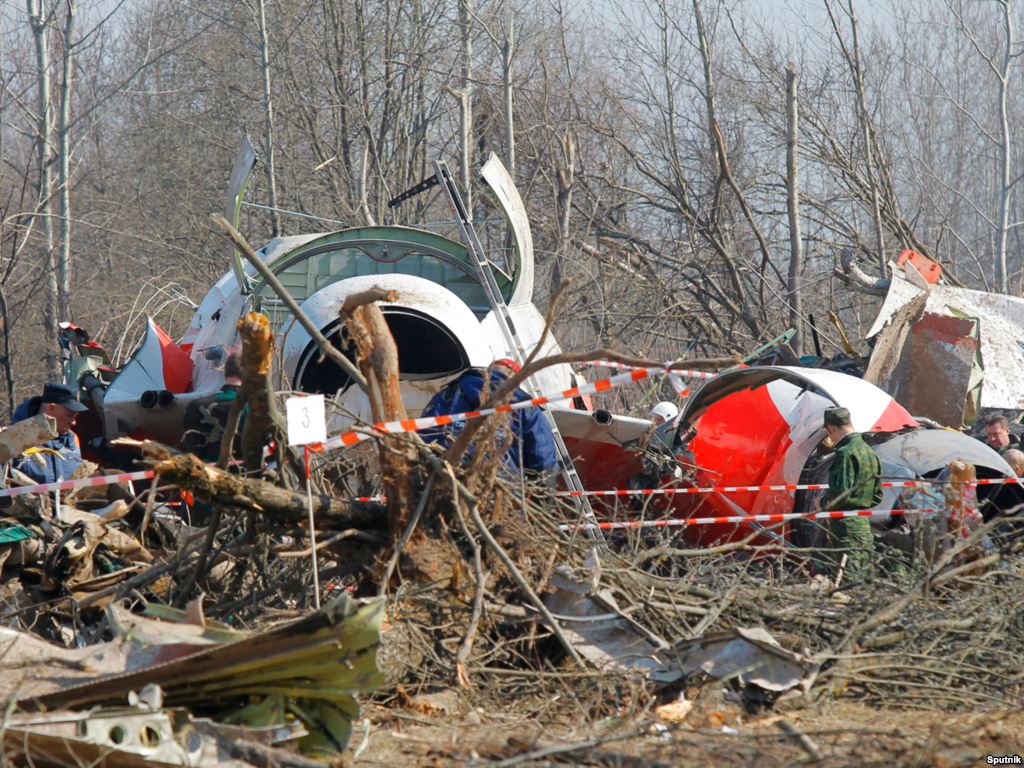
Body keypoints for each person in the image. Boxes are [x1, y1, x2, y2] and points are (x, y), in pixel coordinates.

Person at [421, 358, 557, 476]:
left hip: (442, 473)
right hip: (500, 487)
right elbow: (542, 458)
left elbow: (426, 429)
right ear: (516, 378)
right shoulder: (526, 405)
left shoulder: (451, 391)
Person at [818, 406, 883, 583]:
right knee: (860, 582)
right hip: (863, 525)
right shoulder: (870, 452)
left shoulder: (845, 453)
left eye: (829, 433)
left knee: (843, 585)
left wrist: (822, 504)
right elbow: (878, 495)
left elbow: (841, 494)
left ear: (830, 428)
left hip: (844, 527)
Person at [10, 382, 88, 484]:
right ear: (51, 408)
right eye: (69, 415)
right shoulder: (11, 439)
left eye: (75, 416)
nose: (74, 422)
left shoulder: (73, 439)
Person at [181, 351, 243, 463]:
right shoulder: (257, 409)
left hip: (204, 477)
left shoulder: (194, 408)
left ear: (225, 373)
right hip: (247, 477)